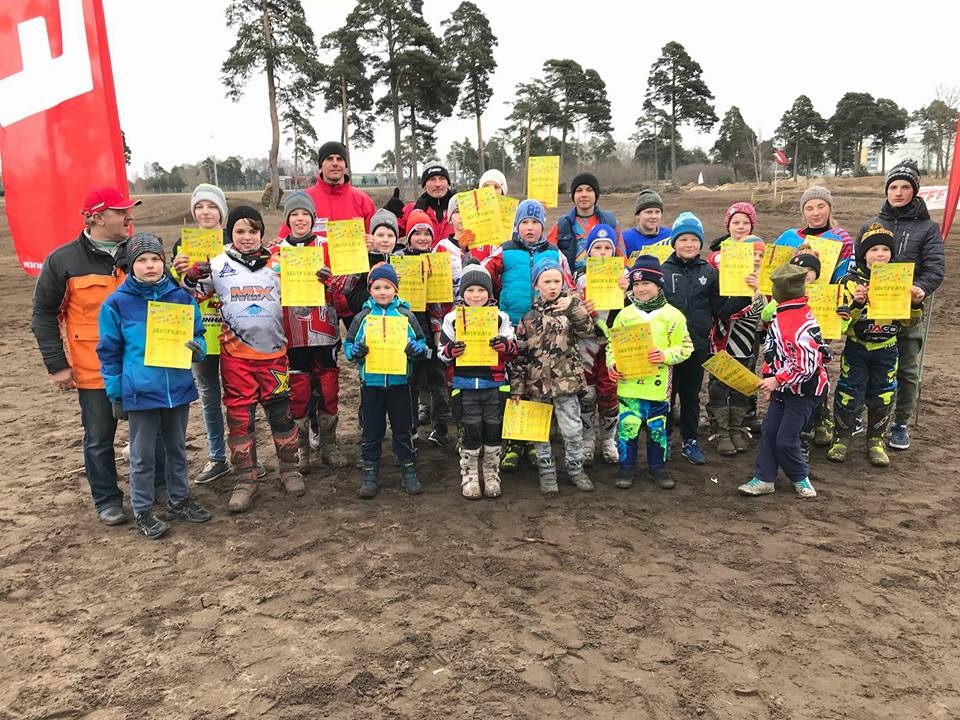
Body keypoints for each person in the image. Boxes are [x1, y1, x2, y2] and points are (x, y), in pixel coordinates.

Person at [31, 186, 169, 526]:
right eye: (120, 211)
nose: (128, 216)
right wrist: (57, 365)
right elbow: (43, 315)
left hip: (144, 363)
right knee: (98, 436)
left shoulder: (140, 253)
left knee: (156, 431)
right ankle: (107, 499)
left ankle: (160, 486)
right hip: (94, 368)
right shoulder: (62, 261)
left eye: (129, 210)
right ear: (95, 217)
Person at [183, 206, 302, 512]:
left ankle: (289, 469)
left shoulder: (279, 262)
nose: (247, 237)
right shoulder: (218, 263)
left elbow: (305, 290)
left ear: (262, 232)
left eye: (253, 231)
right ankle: (245, 480)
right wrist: (189, 276)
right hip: (236, 357)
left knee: (281, 414)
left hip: (274, 355)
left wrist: (317, 278)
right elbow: (189, 295)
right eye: (240, 231)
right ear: (230, 234)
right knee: (239, 419)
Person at [97, 233, 211, 539]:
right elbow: (108, 352)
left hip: (177, 388)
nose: (150, 266)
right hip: (140, 392)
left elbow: (198, 333)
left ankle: (179, 499)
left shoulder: (181, 299)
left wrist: (197, 348)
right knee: (143, 454)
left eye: (155, 259)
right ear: (131, 265)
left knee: (176, 448)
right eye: (142, 260)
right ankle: (143, 510)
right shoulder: (116, 304)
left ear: (164, 262)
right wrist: (115, 393)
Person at [171, 183, 271, 485]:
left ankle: (248, 457)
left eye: (212, 206)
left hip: (233, 330)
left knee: (241, 398)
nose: (205, 212)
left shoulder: (236, 241)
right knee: (208, 395)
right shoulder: (181, 245)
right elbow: (179, 291)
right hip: (201, 329)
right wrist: (179, 272)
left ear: (222, 212)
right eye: (199, 206)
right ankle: (217, 457)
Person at [857, 160, 945, 451]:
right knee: (868, 365)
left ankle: (900, 423)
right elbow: (857, 261)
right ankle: (863, 416)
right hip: (872, 310)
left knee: (907, 369)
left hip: (907, 310)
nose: (898, 192)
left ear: (914, 190)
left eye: (905, 187)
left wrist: (921, 288)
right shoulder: (872, 224)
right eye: (893, 187)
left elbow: (934, 268)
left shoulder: (928, 228)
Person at [483, 199, 575, 471]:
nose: (530, 228)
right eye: (525, 222)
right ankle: (513, 442)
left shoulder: (555, 253)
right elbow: (481, 276)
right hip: (512, 327)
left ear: (543, 226)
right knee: (514, 383)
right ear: (517, 225)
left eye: (535, 223)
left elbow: (567, 285)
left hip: (545, 332)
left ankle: (536, 441)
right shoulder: (505, 251)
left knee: (538, 385)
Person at [827, 224, 924, 466]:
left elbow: (909, 321)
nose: (879, 254)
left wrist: (914, 303)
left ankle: (876, 441)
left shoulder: (900, 279)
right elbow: (843, 323)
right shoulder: (849, 282)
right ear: (863, 254)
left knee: (883, 394)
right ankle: (841, 438)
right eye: (873, 249)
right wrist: (858, 303)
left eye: (884, 249)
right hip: (857, 346)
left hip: (887, 348)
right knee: (849, 392)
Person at [270, 190, 346, 472]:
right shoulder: (276, 253)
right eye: (295, 214)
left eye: (305, 214)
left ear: (313, 218)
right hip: (292, 331)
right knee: (298, 390)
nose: (300, 219)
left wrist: (332, 281)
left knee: (328, 386)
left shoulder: (329, 246)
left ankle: (329, 444)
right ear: (287, 219)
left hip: (324, 328)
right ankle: (301, 449)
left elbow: (347, 289)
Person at [662, 212, 746, 465]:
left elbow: (721, 308)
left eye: (694, 240)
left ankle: (690, 441)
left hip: (696, 347)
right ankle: (663, 440)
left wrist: (744, 293)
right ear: (674, 242)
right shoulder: (662, 271)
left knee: (690, 397)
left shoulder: (709, 273)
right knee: (666, 397)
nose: (689, 244)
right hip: (666, 349)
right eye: (683, 239)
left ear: (700, 243)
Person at [738, 264, 828, 499]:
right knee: (770, 430)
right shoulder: (788, 313)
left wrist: (776, 380)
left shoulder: (793, 322)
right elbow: (774, 352)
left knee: (786, 439)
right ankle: (765, 477)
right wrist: (772, 379)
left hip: (804, 390)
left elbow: (806, 366)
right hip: (786, 386)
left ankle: (800, 477)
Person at [511, 256, 596, 497]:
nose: (552, 286)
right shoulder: (527, 318)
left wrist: (573, 307)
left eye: (556, 281)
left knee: (572, 428)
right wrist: (517, 388)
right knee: (540, 431)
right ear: (536, 285)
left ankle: (575, 468)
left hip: (566, 384)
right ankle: (547, 472)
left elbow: (588, 331)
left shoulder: (571, 309)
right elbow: (519, 356)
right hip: (536, 385)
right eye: (546, 281)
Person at [343, 263, 429, 498]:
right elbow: (348, 346)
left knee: (403, 430)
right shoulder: (362, 317)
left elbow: (422, 344)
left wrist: (416, 350)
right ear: (370, 289)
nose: (382, 292)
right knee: (371, 432)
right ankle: (371, 474)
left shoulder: (406, 316)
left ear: (396, 289)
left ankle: (409, 472)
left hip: (400, 384)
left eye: (388, 287)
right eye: (377, 287)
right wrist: (356, 352)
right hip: (371, 385)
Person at [608, 255, 693, 490]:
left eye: (646, 283)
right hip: (629, 385)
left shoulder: (673, 316)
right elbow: (611, 344)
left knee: (657, 428)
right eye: (635, 285)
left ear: (658, 285)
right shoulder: (625, 315)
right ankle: (626, 467)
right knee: (629, 426)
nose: (640, 289)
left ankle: (657, 468)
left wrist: (665, 355)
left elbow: (686, 348)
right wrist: (612, 364)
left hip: (657, 386)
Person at [437, 263, 517, 499]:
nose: (476, 295)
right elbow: (441, 353)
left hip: (494, 383)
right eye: (470, 290)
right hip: (464, 384)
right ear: (462, 293)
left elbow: (513, 350)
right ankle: (470, 476)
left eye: (481, 291)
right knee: (470, 429)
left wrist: (504, 347)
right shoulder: (452, 319)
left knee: (493, 429)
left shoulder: (500, 317)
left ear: (490, 293)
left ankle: (491, 474)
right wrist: (451, 350)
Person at [706, 238, 766, 455]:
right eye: (752, 254)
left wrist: (759, 292)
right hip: (724, 343)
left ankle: (736, 427)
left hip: (748, 343)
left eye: (761, 255)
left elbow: (767, 315)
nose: (757, 259)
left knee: (743, 386)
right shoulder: (725, 279)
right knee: (719, 387)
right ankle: (721, 430)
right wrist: (745, 292)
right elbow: (723, 311)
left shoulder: (765, 282)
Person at [402, 209, 456, 444]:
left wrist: (438, 332)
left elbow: (442, 300)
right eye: (417, 233)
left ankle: (441, 426)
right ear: (409, 236)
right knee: (410, 380)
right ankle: (411, 427)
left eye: (427, 233)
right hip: (407, 331)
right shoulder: (399, 260)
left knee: (437, 379)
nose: (422, 238)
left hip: (433, 328)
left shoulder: (438, 261)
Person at [574, 223, 624, 465]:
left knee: (609, 391)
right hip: (587, 342)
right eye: (597, 247)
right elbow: (571, 312)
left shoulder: (624, 277)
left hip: (613, 342)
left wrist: (628, 293)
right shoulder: (581, 279)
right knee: (587, 393)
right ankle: (587, 439)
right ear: (589, 252)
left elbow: (637, 309)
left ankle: (608, 439)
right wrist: (583, 311)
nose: (603, 252)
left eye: (607, 247)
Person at [547, 172, 623, 273]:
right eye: (579, 191)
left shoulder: (611, 223)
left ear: (596, 194)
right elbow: (548, 257)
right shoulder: (561, 225)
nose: (584, 195)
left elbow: (622, 259)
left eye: (589, 190)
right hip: (572, 285)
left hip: (604, 282)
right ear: (572, 195)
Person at [400, 163, 455, 241]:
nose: (437, 184)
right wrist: (388, 213)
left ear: (448, 183)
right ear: (424, 185)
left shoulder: (462, 207)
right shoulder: (412, 209)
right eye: (432, 179)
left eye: (442, 178)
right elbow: (387, 232)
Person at [622, 189, 671, 263]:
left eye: (657, 212)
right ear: (637, 215)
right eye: (649, 212)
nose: (654, 216)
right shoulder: (625, 238)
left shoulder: (670, 236)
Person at [707, 201, 759, 268]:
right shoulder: (718, 253)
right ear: (728, 225)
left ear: (751, 226)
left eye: (746, 223)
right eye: (736, 223)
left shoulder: (759, 248)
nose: (741, 226)